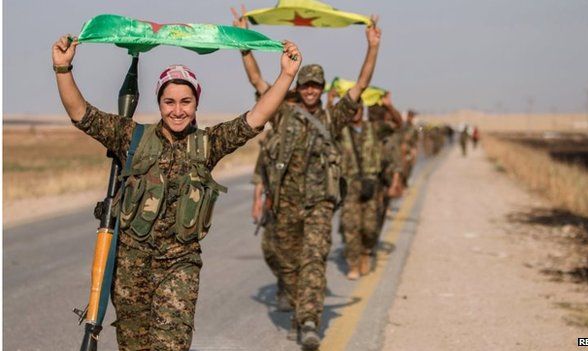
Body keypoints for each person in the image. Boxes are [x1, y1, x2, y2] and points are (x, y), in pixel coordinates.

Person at [52, 33, 301, 350]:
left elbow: (254, 119)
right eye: (169, 102)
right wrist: (63, 69)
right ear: (159, 104)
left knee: (171, 345)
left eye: (186, 102)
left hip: (179, 266)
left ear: (197, 103)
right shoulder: (133, 138)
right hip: (130, 269)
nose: (178, 110)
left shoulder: (207, 144)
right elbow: (82, 114)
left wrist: (287, 75)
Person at [232, 7, 381, 349]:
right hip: (285, 204)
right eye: (307, 84)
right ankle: (295, 297)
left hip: (319, 205)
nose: (312, 90)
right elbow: (257, 81)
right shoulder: (282, 112)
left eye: (317, 84)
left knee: (314, 259)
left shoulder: (332, 118)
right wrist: (244, 43)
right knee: (286, 260)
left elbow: (361, 85)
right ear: (299, 87)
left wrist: (372, 47)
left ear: (322, 87)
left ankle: (309, 320)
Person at [337, 103, 383, 280]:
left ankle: (366, 251)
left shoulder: (373, 129)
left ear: (363, 112)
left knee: (370, 226)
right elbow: (324, 124)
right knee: (350, 225)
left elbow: (397, 125)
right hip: (349, 184)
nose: (355, 113)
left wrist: (388, 105)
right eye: (352, 109)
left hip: (370, 182)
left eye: (358, 109)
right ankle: (353, 263)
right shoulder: (341, 131)